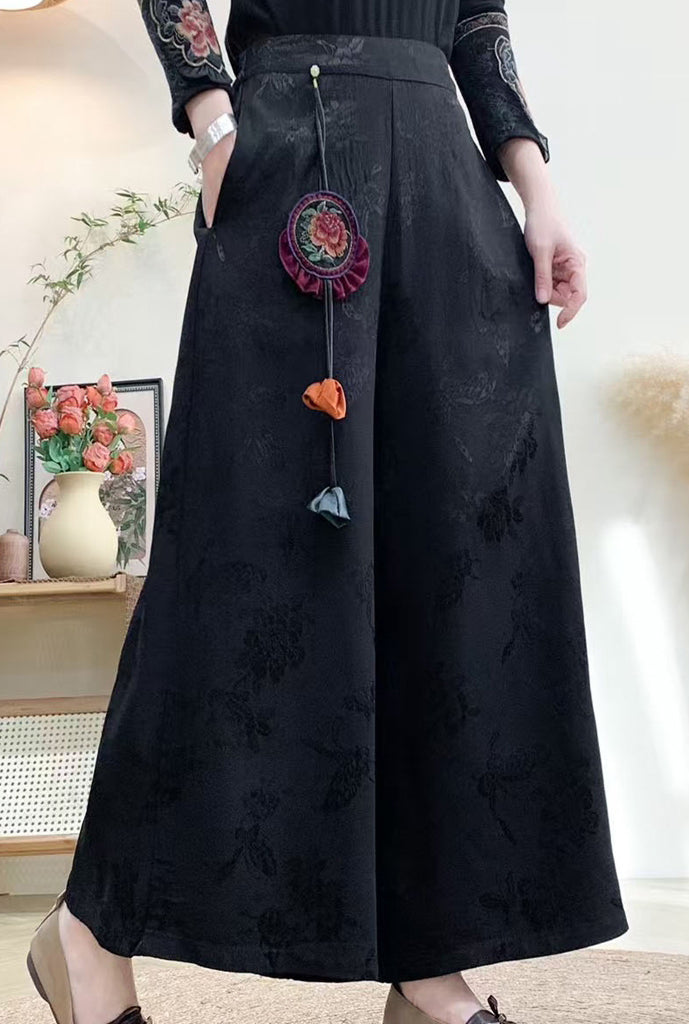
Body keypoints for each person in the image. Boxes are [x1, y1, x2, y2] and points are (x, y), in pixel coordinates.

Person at [26, 3, 629, 1024]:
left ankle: (432, 966)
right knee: (248, 566)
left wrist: (537, 188)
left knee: (456, 559)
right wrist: (214, 121)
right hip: (292, 174)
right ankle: (86, 934)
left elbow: (476, 17)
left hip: (447, 183)